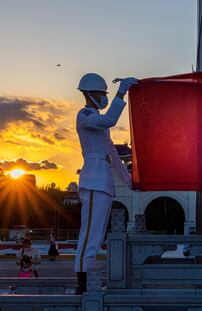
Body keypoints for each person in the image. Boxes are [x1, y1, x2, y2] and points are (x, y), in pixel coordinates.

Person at [74, 73, 138, 294]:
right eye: (102, 94)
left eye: (105, 94)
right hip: (93, 180)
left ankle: (88, 281)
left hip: (103, 182)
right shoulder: (85, 115)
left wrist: (129, 181)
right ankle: (82, 283)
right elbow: (110, 118)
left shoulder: (101, 125)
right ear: (89, 94)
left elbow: (114, 157)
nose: (104, 97)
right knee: (90, 234)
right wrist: (122, 93)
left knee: (96, 235)